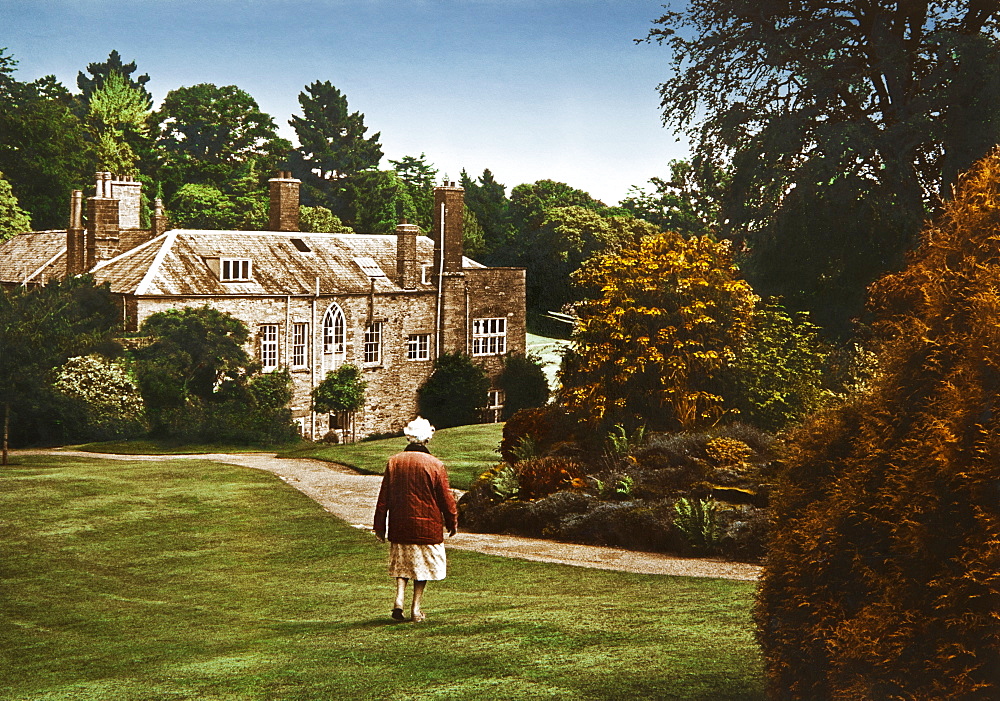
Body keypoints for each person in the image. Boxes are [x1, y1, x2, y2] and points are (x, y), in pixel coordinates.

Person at [373, 417, 458, 623]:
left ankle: (399, 599)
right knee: (422, 567)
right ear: (427, 439)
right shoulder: (435, 465)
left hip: (400, 523)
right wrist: (452, 521)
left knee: (402, 563)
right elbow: (446, 499)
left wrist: (379, 526)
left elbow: (383, 498)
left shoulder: (394, 462)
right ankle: (416, 608)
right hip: (427, 525)